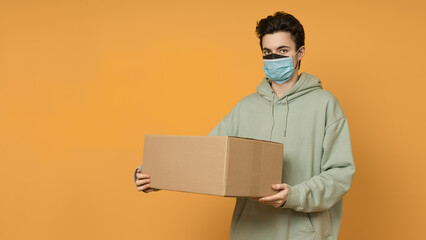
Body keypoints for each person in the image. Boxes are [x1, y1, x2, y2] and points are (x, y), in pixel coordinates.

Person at [134, 11, 355, 240]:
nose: (273, 59)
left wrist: (294, 195)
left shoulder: (325, 105)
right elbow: (204, 157)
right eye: (267, 52)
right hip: (250, 232)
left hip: (303, 234)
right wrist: (154, 175)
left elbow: (340, 174)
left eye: (282, 51)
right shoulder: (245, 107)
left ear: (300, 52)